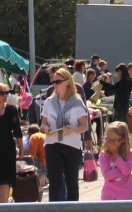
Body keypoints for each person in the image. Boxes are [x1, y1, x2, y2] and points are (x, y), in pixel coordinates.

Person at [40, 67, 90, 202]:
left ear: (67, 82)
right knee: (55, 182)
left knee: (72, 183)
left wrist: (73, 129)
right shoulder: (49, 102)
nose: (54, 85)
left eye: (58, 81)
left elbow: (84, 126)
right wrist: (45, 128)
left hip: (72, 145)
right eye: (53, 82)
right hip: (53, 144)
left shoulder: (77, 102)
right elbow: (43, 123)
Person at [100, 121, 132, 200]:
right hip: (108, 194)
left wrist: (116, 154)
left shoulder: (130, 153)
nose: (111, 143)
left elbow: (126, 170)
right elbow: (107, 175)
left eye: (114, 140)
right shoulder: (104, 154)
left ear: (123, 140)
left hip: (126, 194)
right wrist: (122, 171)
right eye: (109, 139)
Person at [27, 124, 47, 190]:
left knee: (25, 161)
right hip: (50, 163)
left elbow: (32, 155)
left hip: (43, 165)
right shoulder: (44, 135)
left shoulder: (34, 137)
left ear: (30, 133)